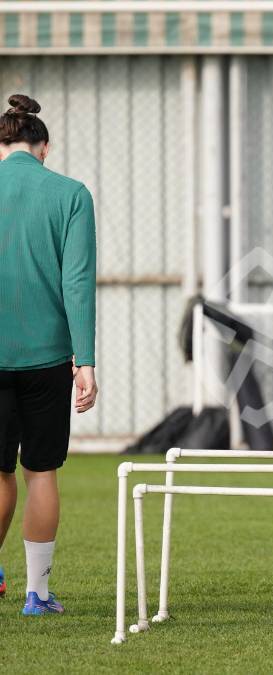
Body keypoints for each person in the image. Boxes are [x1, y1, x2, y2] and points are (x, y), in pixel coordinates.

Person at [0, 94, 98, 615]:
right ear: (44, 149)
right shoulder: (71, 194)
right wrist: (85, 361)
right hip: (46, 358)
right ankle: (36, 593)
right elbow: (77, 283)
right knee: (41, 472)